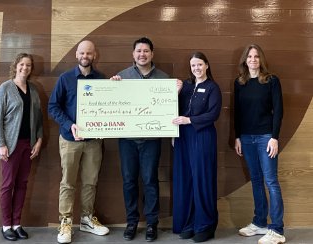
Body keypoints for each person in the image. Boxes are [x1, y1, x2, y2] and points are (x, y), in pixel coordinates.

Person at [48, 40, 109, 244]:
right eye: (82, 53)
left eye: (89, 53)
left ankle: (86, 219)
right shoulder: (65, 78)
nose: (85, 56)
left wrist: (116, 86)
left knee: (90, 182)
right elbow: (53, 107)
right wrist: (69, 125)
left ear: (95, 55)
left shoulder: (102, 79)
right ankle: (65, 221)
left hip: (93, 142)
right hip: (69, 140)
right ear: (76, 54)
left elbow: (110, 105)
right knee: (68, 182)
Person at [111, 37, 169, 242]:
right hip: (127, 139)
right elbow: (111, 105)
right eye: (138, 51)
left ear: (152, 54)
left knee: (150, 180)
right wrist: (111, 89)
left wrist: (176, 90)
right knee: (129, 181)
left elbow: (170, 110)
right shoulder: (121, 77)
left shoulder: (164, 79)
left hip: (151, 139)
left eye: (146, 51)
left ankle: (152, 223)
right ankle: (132, 222)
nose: (142, 54)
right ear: (133, 54)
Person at [234, 44, 285, 244]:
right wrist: (237, 136)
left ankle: (277, 229)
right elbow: (237, 112)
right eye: (249, 56)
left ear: (260, 60)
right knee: (256, 180)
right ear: (245, 60)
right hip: (246, 138)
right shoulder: (240, 83)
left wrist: (274, 137)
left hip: (266, 137)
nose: (253, 59)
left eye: (256, 56)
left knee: (271, 181)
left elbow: (279, 111)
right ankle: (259, 223)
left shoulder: (271, 81)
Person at [0, 53, 43, 241]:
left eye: (28, 65)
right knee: (8, 185)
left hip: (27, 145)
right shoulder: (5, 88)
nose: (25, 68)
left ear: (31, 68)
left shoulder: (34, 90)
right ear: (16, 66)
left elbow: (37, 119)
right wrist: (1, 144)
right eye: (22, 64)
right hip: (9, 147)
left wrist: (39, 140)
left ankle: (17, 223)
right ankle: (6, 226)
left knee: (22, 184)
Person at [172, 52, 222, 242]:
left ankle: (206, 225)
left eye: (199, 64)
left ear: (207, 65)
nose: (196, 69)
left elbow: (213, 115)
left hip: (202, 137)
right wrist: (175, 93)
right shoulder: (186, 87)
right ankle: (190, 223)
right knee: (186, 180)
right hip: (183, 138)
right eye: (193, 66)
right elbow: (171, 109)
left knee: (202, 179)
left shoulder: (212, 88)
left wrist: (189, 120)